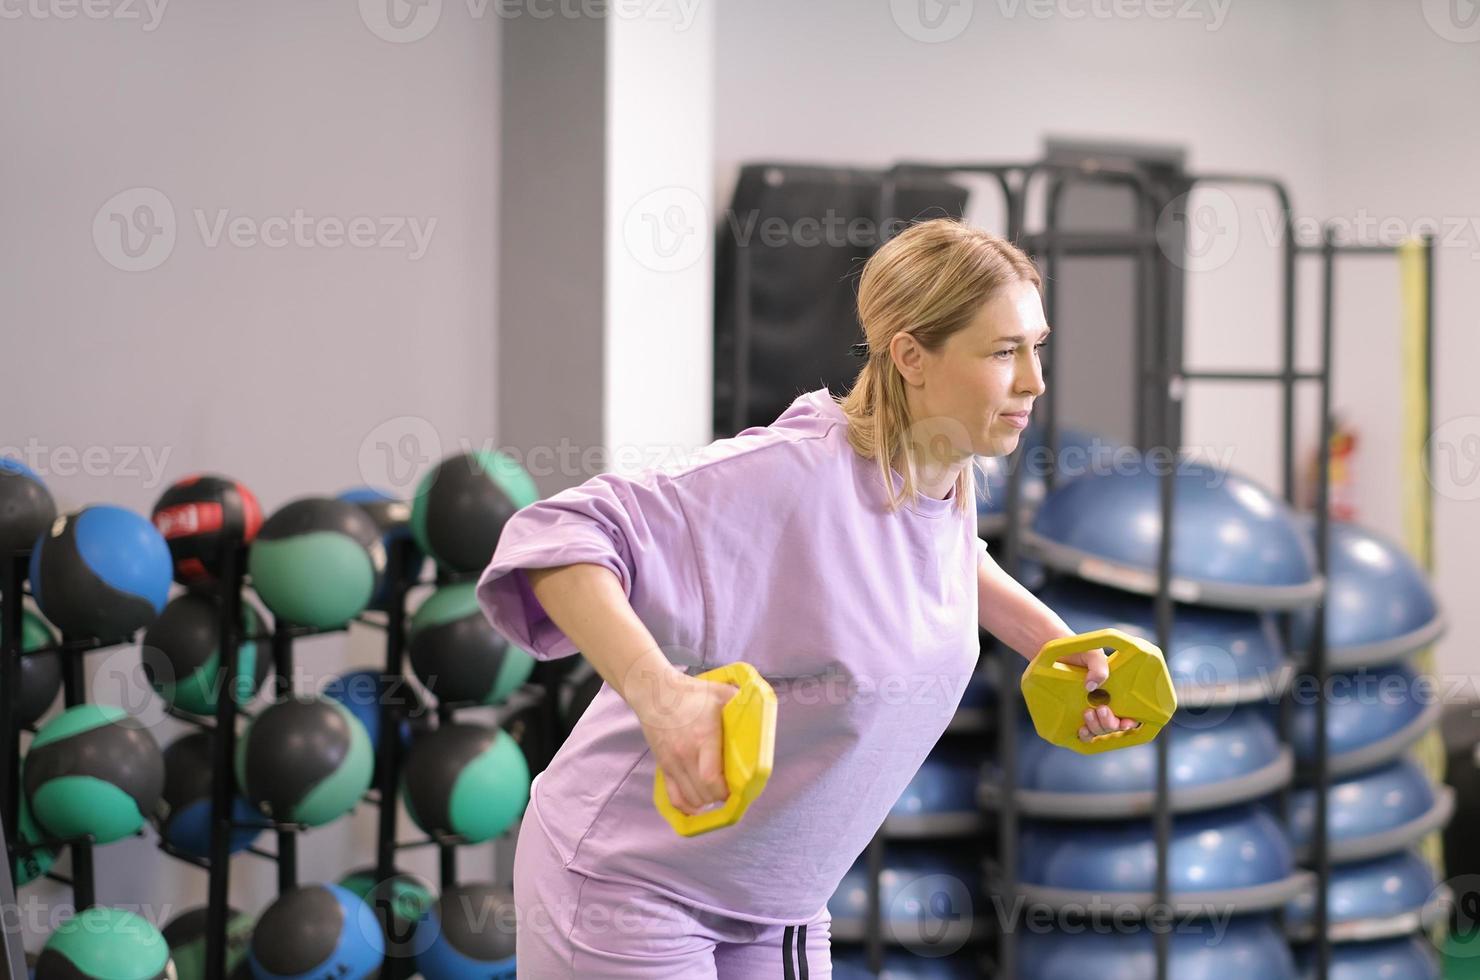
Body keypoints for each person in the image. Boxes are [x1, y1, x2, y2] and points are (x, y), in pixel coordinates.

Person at [476, 218, 1135, 978]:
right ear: (911, 356)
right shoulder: (788, 477)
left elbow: (944, 562)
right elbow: (556, 537)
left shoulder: (941, 473)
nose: (1034, 381)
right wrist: (661, 698)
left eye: (1036, 345)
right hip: (630, 883)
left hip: (777, 901)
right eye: (1002, 352)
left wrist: (1055, 644)